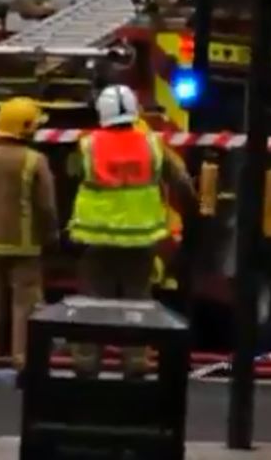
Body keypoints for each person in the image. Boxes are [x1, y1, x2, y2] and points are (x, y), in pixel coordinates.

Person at [68, 83, 195, 378]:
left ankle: (87, 363)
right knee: (137, 302)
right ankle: (136, 361)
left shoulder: (88, 144)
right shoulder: (152, 144)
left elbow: (73, 173)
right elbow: (180, 181)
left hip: (96, 239)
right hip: (140, 240)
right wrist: (194, 210)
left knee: (91, 303)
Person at [0, 96, 59, 387]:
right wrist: (51, 235)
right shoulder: (34, 160)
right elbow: (46, 205)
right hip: (25, 246)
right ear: (26, 128)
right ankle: (23, 363)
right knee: (25, 306)